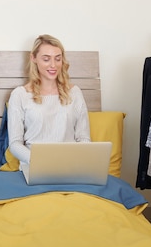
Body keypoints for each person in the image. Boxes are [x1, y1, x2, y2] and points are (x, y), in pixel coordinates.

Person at [7, 34, 90, 165]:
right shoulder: (19, 95)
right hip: (35, 165)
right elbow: (15, 144)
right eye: (46, 59)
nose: (53, 65)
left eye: (58, 59)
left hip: (70, 165)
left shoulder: (74, 93)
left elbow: (83, 138)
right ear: (33, 58)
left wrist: (76, 161)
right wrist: (40, 161)